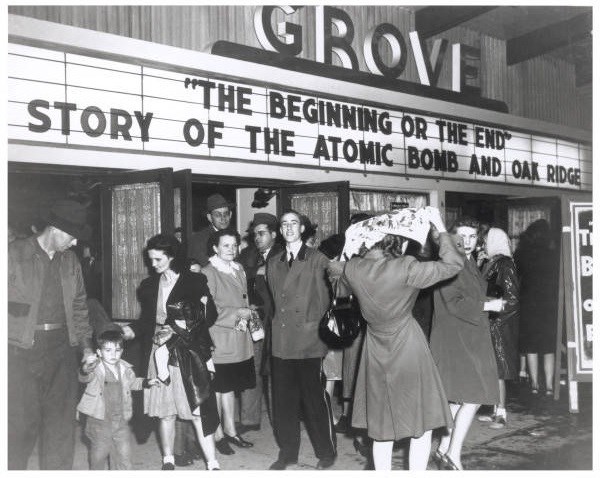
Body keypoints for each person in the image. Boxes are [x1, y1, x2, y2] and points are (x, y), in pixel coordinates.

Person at [327, 207, 464, 470]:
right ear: (397, 243)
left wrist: (347, 252)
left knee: (381, 426)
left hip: (375, 347)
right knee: (420, 425)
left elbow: (336, 277)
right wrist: (441, 230)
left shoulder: (354, 269)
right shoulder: (406, 267)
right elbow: (453, 265)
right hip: (408, 345)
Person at [7, 198, 95, 470]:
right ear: (55, 228)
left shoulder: (71, 262)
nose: (76, 243)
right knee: (19, 426)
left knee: (61, 426)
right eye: (73, 236)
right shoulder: (14, 254)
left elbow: (79, 306)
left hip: (61, 348)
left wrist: (87, 348)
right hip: (20, 349)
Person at [121, 233, 220, 470]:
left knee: (197, 409)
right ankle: (168, 459)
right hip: (158, 350)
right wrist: (129, 331)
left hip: (187, 349)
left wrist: (177, 328)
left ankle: (213, 464)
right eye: (151, 260)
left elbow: (210, 316)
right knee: (165, 412)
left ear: (172, 256)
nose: (152, 265)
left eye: (158, 260)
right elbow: (146, 321)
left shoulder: (195, 281)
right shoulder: (148, 286)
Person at [430, 217, 505, 470]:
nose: (468, 242)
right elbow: (454, 302)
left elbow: (469, 294)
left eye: (473, 237)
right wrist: (487, 304)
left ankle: (442, 449)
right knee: (473, 397)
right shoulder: (450, 263)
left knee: (456, 399)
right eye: (462, 237)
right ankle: (453, 455)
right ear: (451, 238)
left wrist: (487, 299)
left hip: (467, 335)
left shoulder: (467, 260)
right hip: (457, 338)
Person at [266, 210, 337, 470]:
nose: (288, 228)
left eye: (293, 223)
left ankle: (326, 452)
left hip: (308, 340)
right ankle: (288, 452)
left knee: (313, 400)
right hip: (282, 341)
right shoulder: (273, 261)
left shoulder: (318, 259)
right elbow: (276, 300)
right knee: (283, 401)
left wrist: (319, 332)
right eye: (284, 224)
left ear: (303, 228)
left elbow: (326, 300)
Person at [202, 229, 256, 455]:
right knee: (217, 389)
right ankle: (217, 435)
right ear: (215, 248)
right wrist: (238, 313)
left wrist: (248, 314)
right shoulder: (208, 272)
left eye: (234, 245)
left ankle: (231, 430)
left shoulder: (239, 268)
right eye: (226, 245)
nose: (231, 250)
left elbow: (243, 298)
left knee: (230, 388)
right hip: (220, 338)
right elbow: (207, 311)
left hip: (239, 337)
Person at [78, 330, 160, 469]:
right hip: (100, 421)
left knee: (124, 457)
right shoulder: (96, 368)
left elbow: (133, 383)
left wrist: (147, 382)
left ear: (122, 351)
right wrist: (86, 368)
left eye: (117, 350)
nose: (113, 355)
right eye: (108, 350)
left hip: (121, 421)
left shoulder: (125, 369)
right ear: (99, 352)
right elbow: (84, 376)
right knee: (99, 456)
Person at [237, 212, 284, 432]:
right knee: (252, 369)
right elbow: (236, 276)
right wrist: (257, 271)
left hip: (277, 322)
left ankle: (280, 421)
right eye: (255, 234)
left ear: (274, 234)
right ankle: (249, 419)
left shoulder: (283, 254)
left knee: (276, 372)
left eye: (262, 233)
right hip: (254, 321)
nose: (257, 238)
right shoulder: (247, 254)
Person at [477, 227, 520, 428]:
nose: (482, 244)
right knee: (493, 369)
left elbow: (511, 299)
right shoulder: (494, 262)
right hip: (493, 320)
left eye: (485, 241)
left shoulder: (504, 264)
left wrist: (495, 315)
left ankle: (501, 413)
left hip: (498, 322)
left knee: (499, 369)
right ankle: (495, 409)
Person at [514, 219, 559, 396]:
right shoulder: (553, 253)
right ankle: (549, 386)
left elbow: (517, 275)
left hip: (528, 302)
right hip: (549, 303)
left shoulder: (523, 253)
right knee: (548, 347)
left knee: (531, 345)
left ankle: (534, 384)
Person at [189, 193, 234, 267]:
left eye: (226, 214)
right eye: (217, 215)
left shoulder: (233, 236)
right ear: (209, 217)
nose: (223, 218)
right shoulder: (199, 239)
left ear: (230, 215)